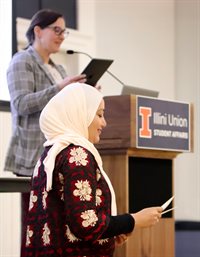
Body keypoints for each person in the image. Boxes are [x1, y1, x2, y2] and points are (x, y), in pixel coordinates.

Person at [21, 82, 163, 257]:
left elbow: (66, 217)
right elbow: (85, 224)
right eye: (99, 114)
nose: (104, 122)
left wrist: (109, 233)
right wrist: (134, 220)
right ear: (80, 115)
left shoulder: (51, 153)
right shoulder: (77, 155)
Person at [3, 8, 86, 251]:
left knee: (57, 227)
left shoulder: (58, 69)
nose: (61, 36)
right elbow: (21, 103)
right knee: (34, 229)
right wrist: (59, 88)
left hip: (58, 157)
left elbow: (63, 106)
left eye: (64, 31)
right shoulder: (21, 61)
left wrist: (84, 93)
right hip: (33, 158)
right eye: (56, 30)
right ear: (38, 31)